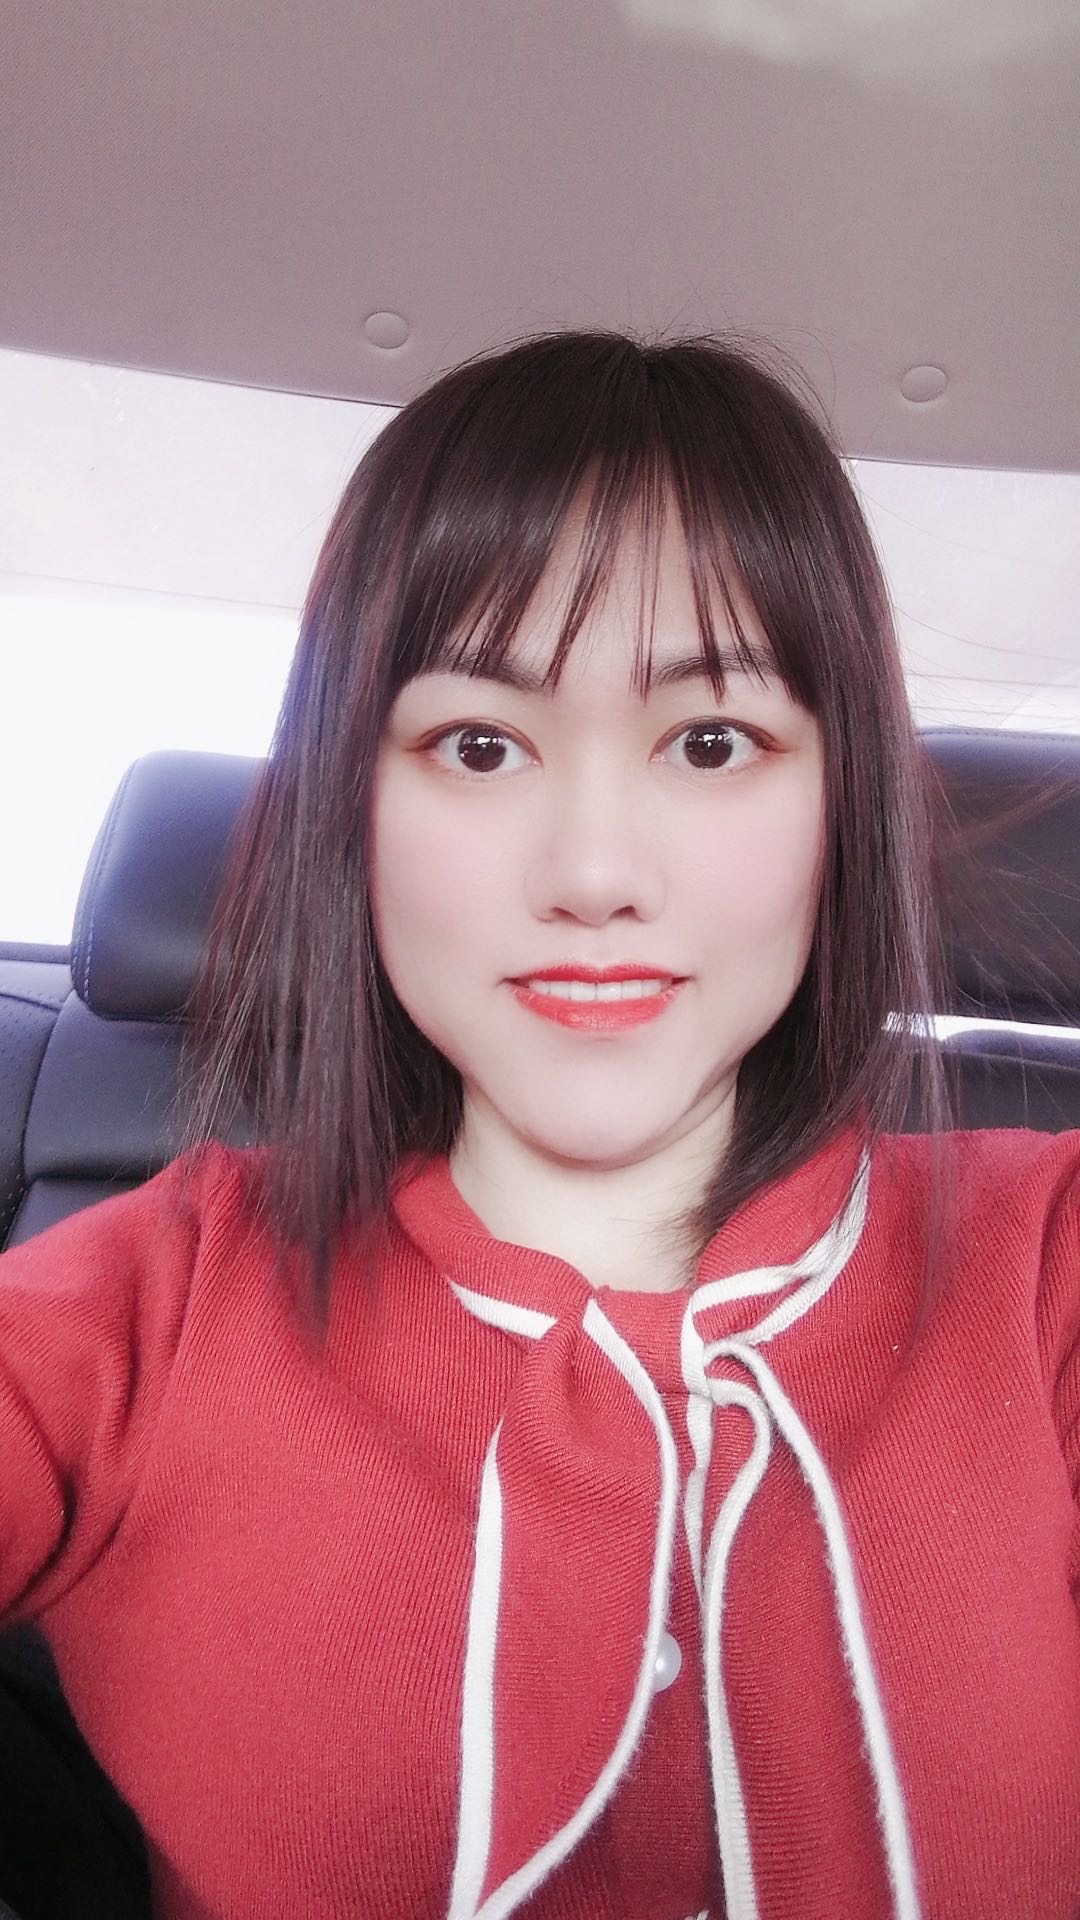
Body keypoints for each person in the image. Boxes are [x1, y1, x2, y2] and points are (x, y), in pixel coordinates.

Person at [0, 328, 1077, 1920]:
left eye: (710, 742)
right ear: (354, 808)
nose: (591, 872)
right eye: (478, 745)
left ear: (836, 804)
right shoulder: (135, 1312)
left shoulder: (1045, 1266)